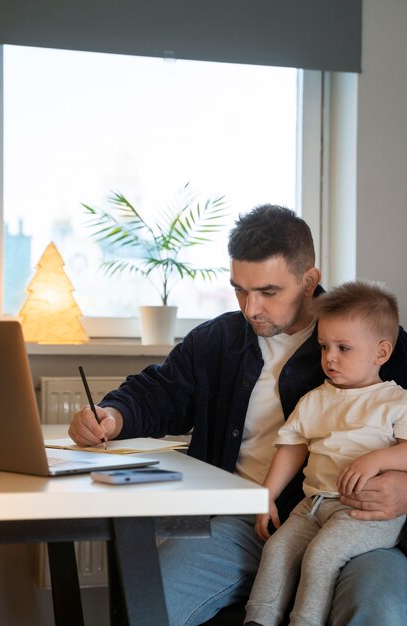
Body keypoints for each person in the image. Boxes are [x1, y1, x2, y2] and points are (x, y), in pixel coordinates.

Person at [69, 205, 407, 626]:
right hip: (242, 526)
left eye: (268, 292)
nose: (251, 308)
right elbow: (159, 391)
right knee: (149, 598)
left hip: (358, 521)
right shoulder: (218, 339)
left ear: (309, 280)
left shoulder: (378, 341)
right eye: (239, 290)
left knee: (381, 606)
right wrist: (112, 415)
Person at [244, 281, 407, 626]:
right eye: (323, 346)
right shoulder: (315, 399)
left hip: (363, 511)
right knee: (276, 551)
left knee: (321, 556)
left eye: (343, 348)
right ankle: (258, 619)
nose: (329, 358)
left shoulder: (396, 402)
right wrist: (267, 495)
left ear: (381, 353)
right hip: (312, 506)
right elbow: (292, 447)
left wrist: (378, 459)